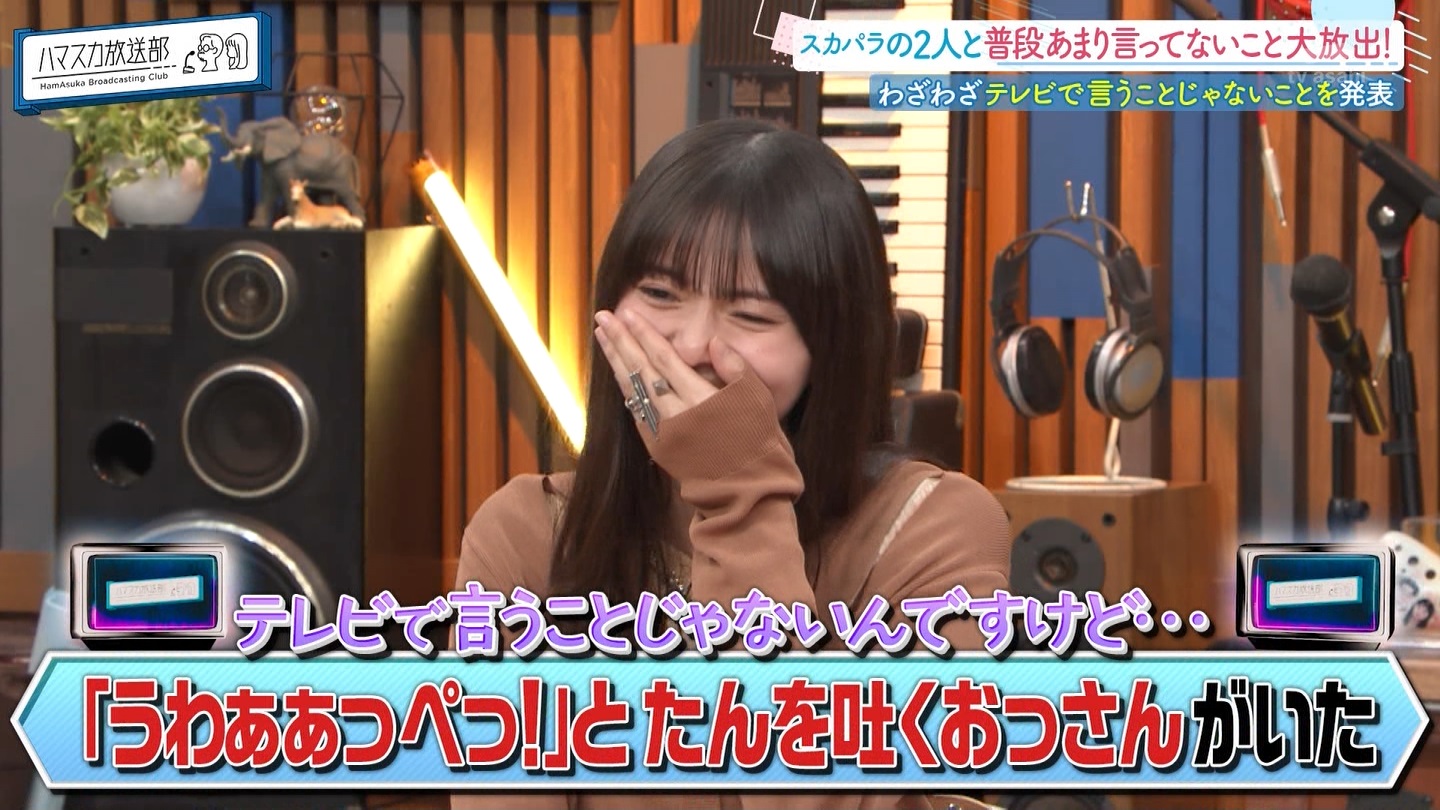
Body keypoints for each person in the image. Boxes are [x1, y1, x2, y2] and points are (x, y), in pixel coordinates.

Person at [451, 118, 1012, 810]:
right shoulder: (526, 532)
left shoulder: (932, 529)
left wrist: (738, 490)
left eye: (750, 314)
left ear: (830, 345)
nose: (692, 346)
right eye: (660, 295)